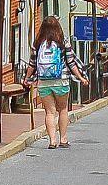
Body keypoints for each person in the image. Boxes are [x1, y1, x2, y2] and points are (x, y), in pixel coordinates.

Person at [30, 16, 85, 150]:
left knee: (49, 112)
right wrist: (81, 78)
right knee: (63, 109)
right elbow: (71, 63)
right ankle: (63, 138)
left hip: (44, 81)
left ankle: (52, 140)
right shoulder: (63, 42)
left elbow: (32, 64)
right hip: (61, 80)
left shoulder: (37, 43)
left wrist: (27, 78)